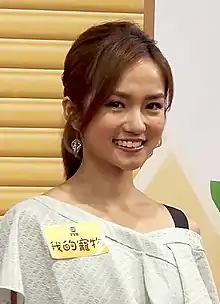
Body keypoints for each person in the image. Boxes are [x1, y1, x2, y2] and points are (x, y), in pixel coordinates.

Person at [0, 21, 219, 304]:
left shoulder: (182, 230)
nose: (137, 124)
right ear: (73, 112)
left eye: (152, 106)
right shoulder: (30, 225)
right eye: (116, 104)